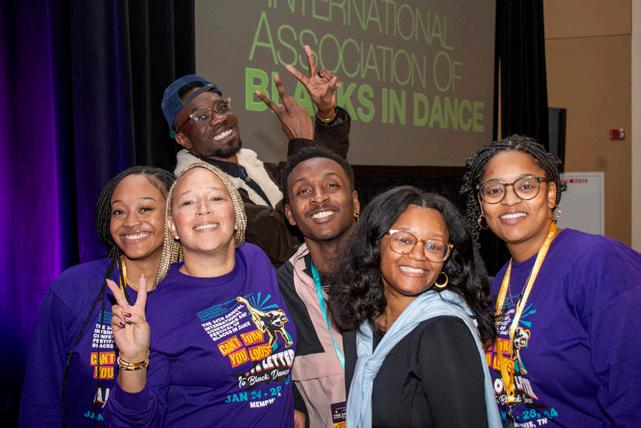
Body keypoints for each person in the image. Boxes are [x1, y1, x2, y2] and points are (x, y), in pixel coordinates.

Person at [462, 135, 641, 427]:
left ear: (550, 194)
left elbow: (632, 393)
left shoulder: (600, 264)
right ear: (482, 205)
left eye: (526, 186)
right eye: (494, 190)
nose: (509, 199)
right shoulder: (499, 284)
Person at [104, 162, 298, 427]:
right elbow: (132, 423)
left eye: (216, 198)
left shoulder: (256, 261)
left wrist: (294, 406)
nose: (203, 208)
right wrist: (133, 361)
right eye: (187, 202)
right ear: (172, 226)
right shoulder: (158, 307)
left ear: (236, 213)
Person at [162, 45, 351, 266]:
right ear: (183, 139)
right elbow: (283, 241)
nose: (219, 119)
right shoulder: (203, 192)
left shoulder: (255, 170)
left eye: (221, 107)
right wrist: (301, 143)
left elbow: (328, 173)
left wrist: (326, 114)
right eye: (201, 117)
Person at [330, 186, 501, 428]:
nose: (419, 255)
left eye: (434, 246)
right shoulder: (363, 327)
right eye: (404, 240)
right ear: (375, 243)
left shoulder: (443, 331)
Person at [19, 166, 176, 427]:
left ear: (172, 217)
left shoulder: (194, 291)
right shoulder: (74, 288)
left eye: (145, 209)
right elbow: (41, 394)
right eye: (119, 211)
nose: (130, 222)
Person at [277, 147, 360, 427]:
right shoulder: (280, 292)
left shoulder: (395, 273)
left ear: (355, 202)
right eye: (304, 191)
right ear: (290, 214)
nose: (319, 197)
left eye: (331, 186)